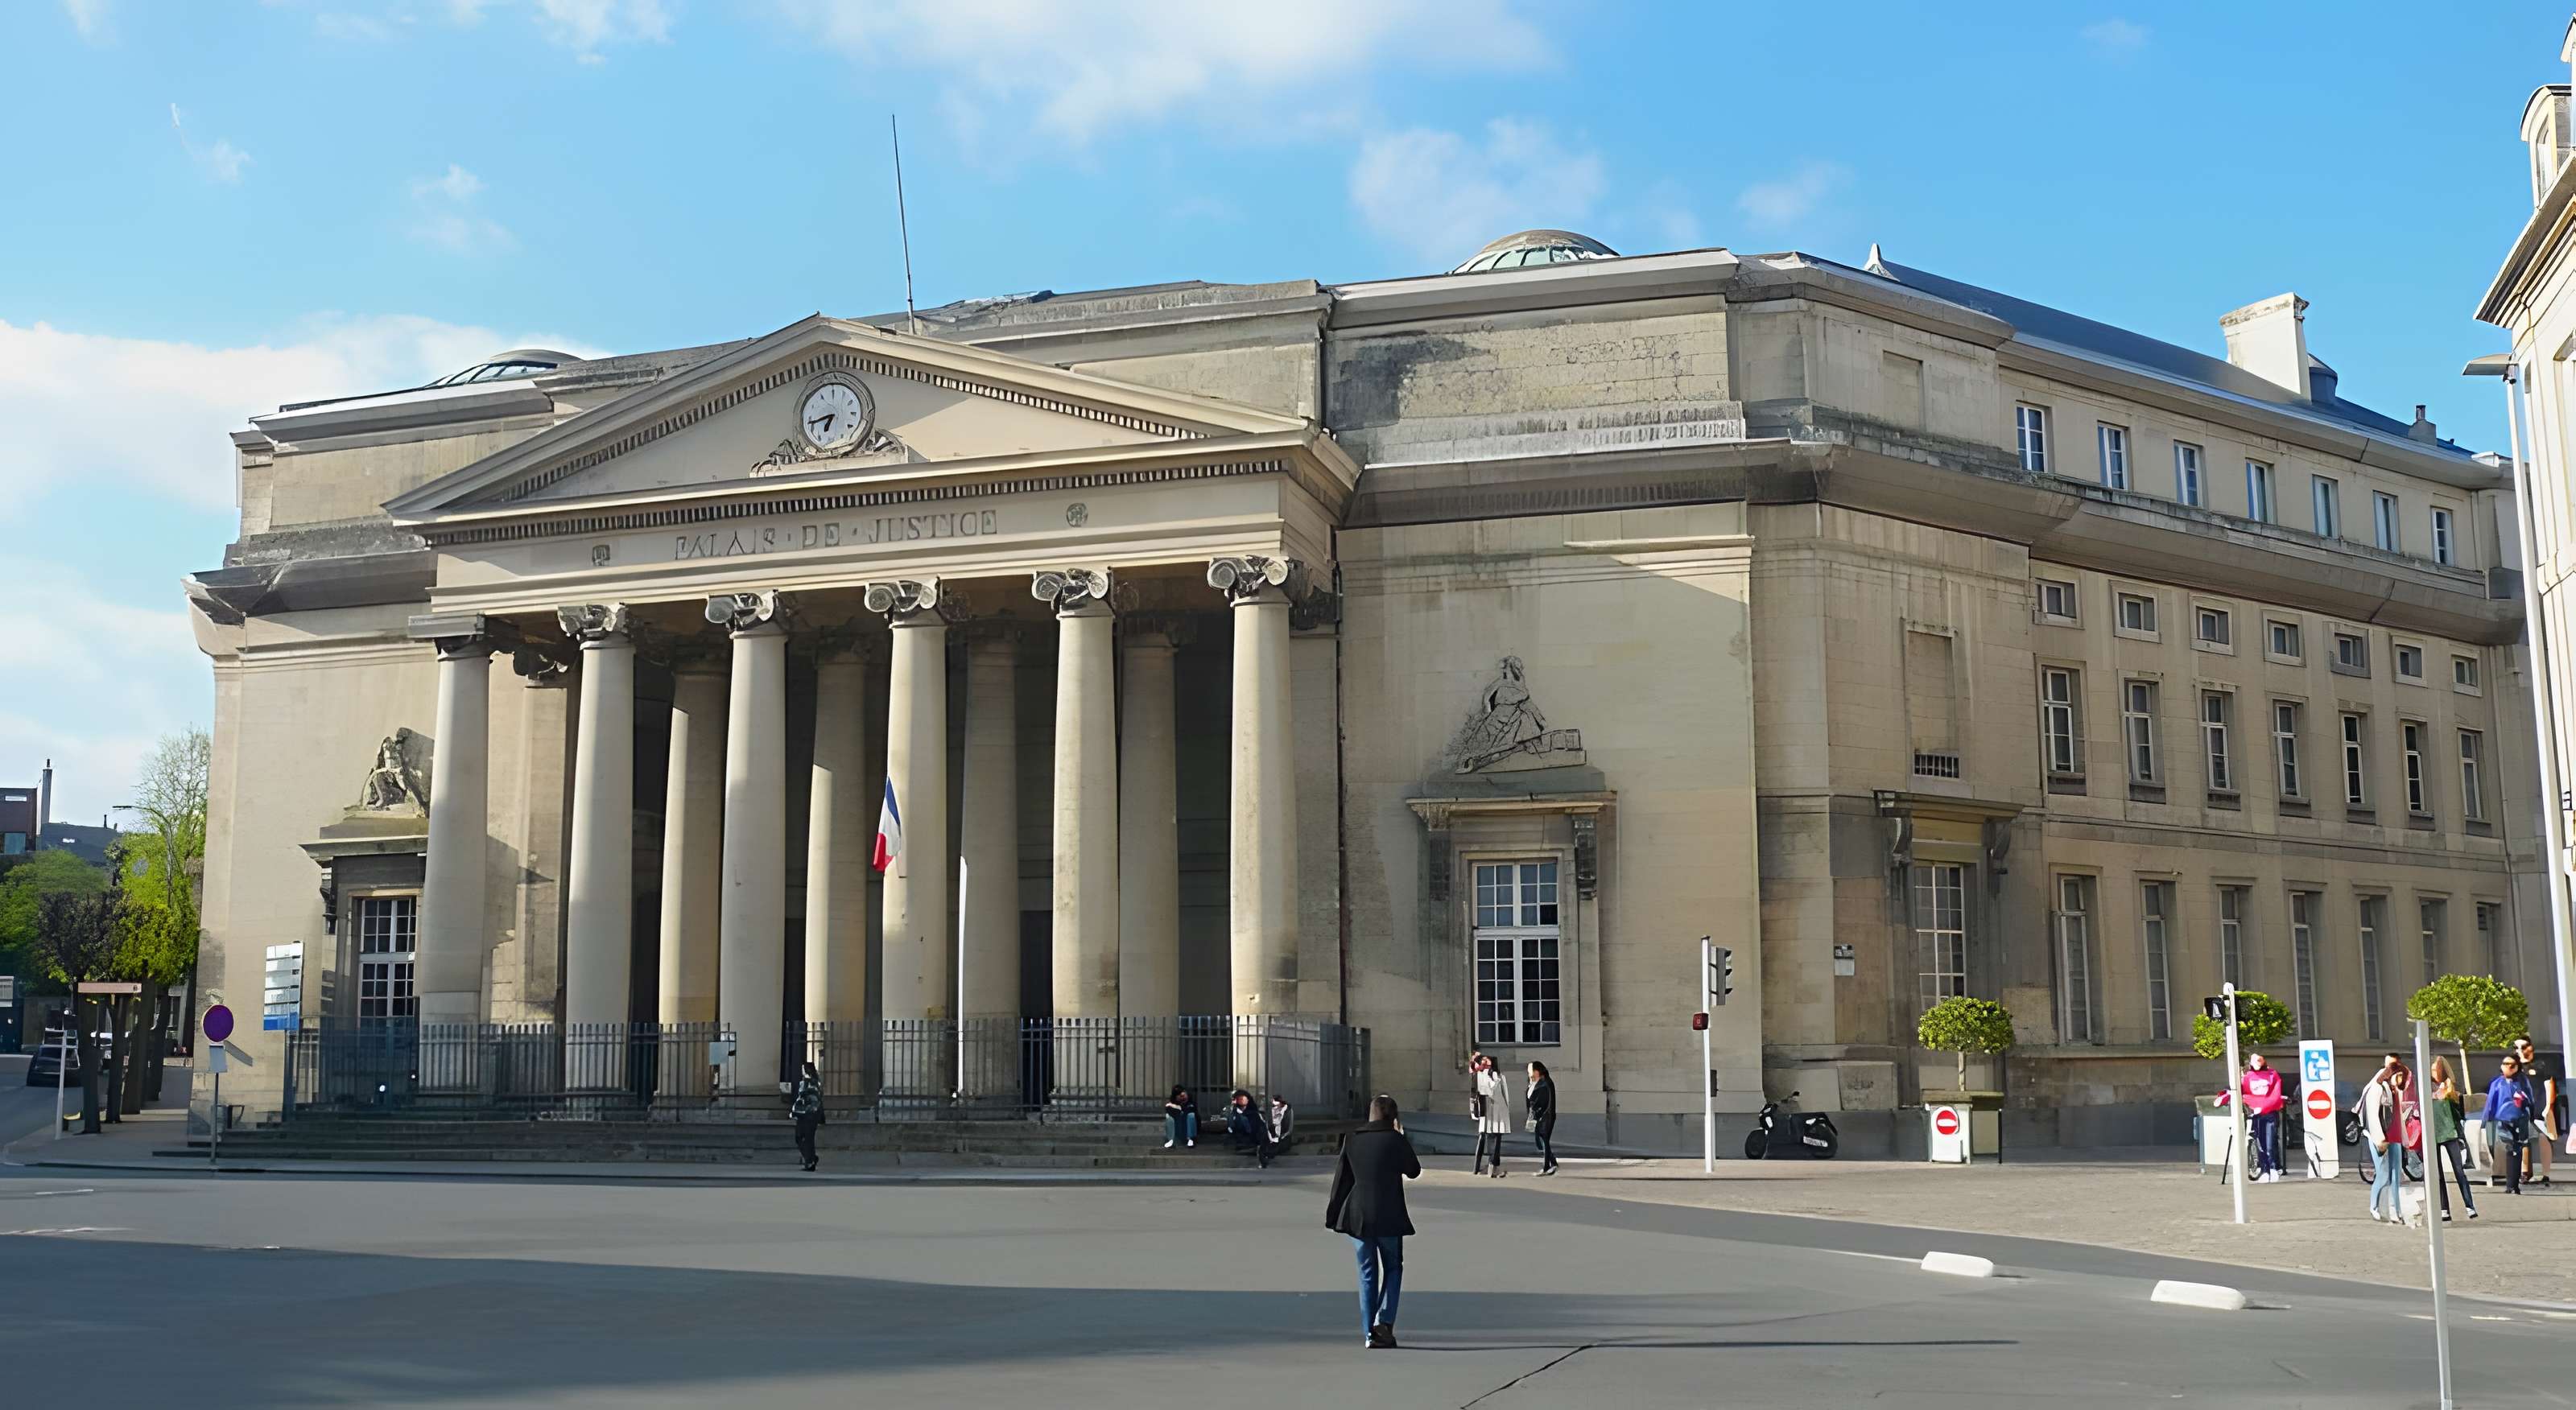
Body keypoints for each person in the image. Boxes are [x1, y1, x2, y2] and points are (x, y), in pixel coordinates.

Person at [1325, 1095, 1422, 1350]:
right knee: (1393, 1267)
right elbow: (1414, 1170)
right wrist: (1399, 1136)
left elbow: (1342, 1179)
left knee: (1367, 1272)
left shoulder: (1353, 1139)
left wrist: (1333, 1213)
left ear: (1371, 1114)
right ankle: (1384, 1321)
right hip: (1388, 1213)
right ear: (1394, 1118)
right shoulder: (1395, 1139)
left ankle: (1369, 1332)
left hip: (1357, 1214)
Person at [2359, 1060, 2413, 1224]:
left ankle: (2396, 1211)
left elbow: (2399, 1117)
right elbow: (2373, 1116)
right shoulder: (2377, 1089)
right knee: (2382, 1174)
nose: (2402, 1080)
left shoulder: (2397, 1091)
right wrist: (2379, 1139)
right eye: (2400, 1075)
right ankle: (2374, 1206)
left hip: (2395, 1137)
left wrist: (2405, 1139)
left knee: (2396, 1177)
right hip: (2380, 1137)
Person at [2428, 1057, 2479, 1222]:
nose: (2435, 1073)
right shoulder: (2426, 1087)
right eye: (2433, 1070)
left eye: (2438, 1070)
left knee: (2459, 1171)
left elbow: (2459, 1111)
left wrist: (2453, 1096)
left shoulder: (2450, 1089)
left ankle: (2469, 1206)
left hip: (2450, 1134)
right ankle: (2444, 1209)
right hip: (2433, 1135)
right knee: (2438, 1175)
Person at [2230, 1051, 2288, 1183]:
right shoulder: (2247, 1077)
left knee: (2269, 1141)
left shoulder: (2272, 1075)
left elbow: (2275, 1093)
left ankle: (2272, 1168)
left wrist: (2264, 1105)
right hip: (2256, 1113)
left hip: (2268, 1113)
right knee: (2260, 1143)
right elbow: (2242, 1091)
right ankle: (2265, 1169)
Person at [2487, 1054, 2536, 1195]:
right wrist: (2487, 1119)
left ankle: (2513, 1185)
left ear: (2517, 1067)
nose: (2508, 1067)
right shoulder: (2497, 1083)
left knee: (2517, 1149)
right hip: (2503, 1120)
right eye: (2505, 1064)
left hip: (2520, 1119)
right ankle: (2511, 1184)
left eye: (2512, 1065)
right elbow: (2491, 1102)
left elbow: (2530, 1098)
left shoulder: (2522, 1081)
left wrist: (2531, 1114)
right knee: (2509, 1149)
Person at [2512, 1038, 2558, 1187]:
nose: (2520, 1050)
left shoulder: (2541, 1064)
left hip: (2540, 1106)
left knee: (2543, 1138)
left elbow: (2550, 1085)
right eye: (2516, 1047)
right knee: (2523, 1139)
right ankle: (2525, 1172)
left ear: (2530, 1047)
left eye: (2523, 1046)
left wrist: (2548, 1106)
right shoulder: (2515, 1066)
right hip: (2522, 1107)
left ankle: (2546, 1174)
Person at [1471, 1053, 1513, 1177]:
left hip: (1495, 1109)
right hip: (1489, 1109)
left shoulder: (1494, 1076)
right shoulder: (1484, 1076)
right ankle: (1488, 1167)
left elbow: (1505, 1095)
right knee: (1491, 1138)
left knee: (1491, 1137)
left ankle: (1488, 1167)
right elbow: (1481, 1093)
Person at [789, 1060, 824, 1173]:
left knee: (801, 1138)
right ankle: (811, 1159)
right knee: (807, 1138)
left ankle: (810, 1161)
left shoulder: (807, 1082)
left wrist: (795, 1111)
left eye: (803, 1069)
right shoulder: (816, 1082)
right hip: (812, 1114)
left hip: (806, 1114)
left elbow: (803, 1098)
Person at [1526, 1061, 1559, 1177]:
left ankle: (1546, 1167)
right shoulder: (1536, 1082)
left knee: (1544, 1141)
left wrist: (1538, 1118)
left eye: (1530, 1070)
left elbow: (1542, 1103)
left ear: (1537, 1071)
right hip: (1536, 1116)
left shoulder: (1545, 1083)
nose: (1529, 1072)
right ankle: (1553, 1163)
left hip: (1545, 1117)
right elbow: (1529, 1098)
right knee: (1541, 1141)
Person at [1260, 1091, 1295, 1169]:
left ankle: (1268, 1155)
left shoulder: (1288, 1111)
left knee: (1278, 1146)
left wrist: (1282, 1136)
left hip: (1284, 1137)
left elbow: (1290, 1130)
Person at [1226, 1089, 1263, 1156]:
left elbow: (1256, 1130)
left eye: (1241, 1099)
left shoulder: (1253, 1114)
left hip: (1250, 1142)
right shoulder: (1234, 1114)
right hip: (1242, 1142)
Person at [1162, 1085, 1198, 1149]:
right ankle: (1170, 1140)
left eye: (1183, 1095)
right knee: (1169, 1118)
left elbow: (1192, 1111)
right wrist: (1177, 1108)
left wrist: (1181, 1108)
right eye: (1180, 1096)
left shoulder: (1191, 1102)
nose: (1182, 1098)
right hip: (1178, 1128)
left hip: (1187, 1128)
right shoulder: (1172, 1103)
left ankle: (1191, 1139)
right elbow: (1170, 1112)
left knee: (1191, 1115)